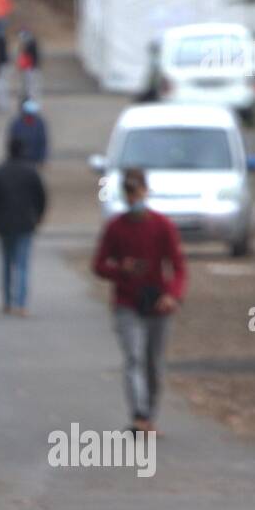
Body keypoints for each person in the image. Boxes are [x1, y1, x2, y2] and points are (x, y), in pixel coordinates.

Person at [90, 168, 187, 434]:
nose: (133, 198)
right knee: (133, 357)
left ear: (145, 191)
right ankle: (138, 413)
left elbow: (178, 266)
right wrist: (121, 268)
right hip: (127, 303)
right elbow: (98, 265)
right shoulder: (116, 227)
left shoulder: (162, 226)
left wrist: (172, 295)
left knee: (153, 362)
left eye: (137, 192)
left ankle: (149, 416)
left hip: (157, 302)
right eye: (129, 193)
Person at [0, 136, 47, 316]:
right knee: (23, 264)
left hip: (2, 224)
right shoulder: (31, 172)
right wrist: (39, 215)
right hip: (26, 222)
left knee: (6, 263)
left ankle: (7, 302)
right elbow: (41, 196)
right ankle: (21, 304)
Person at [7, 98, 49, 164]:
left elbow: (43, 142)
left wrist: (42, 158)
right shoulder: (16, 124)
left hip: (35, 158)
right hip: (20, 159)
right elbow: (12, 142)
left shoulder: (39, 124)